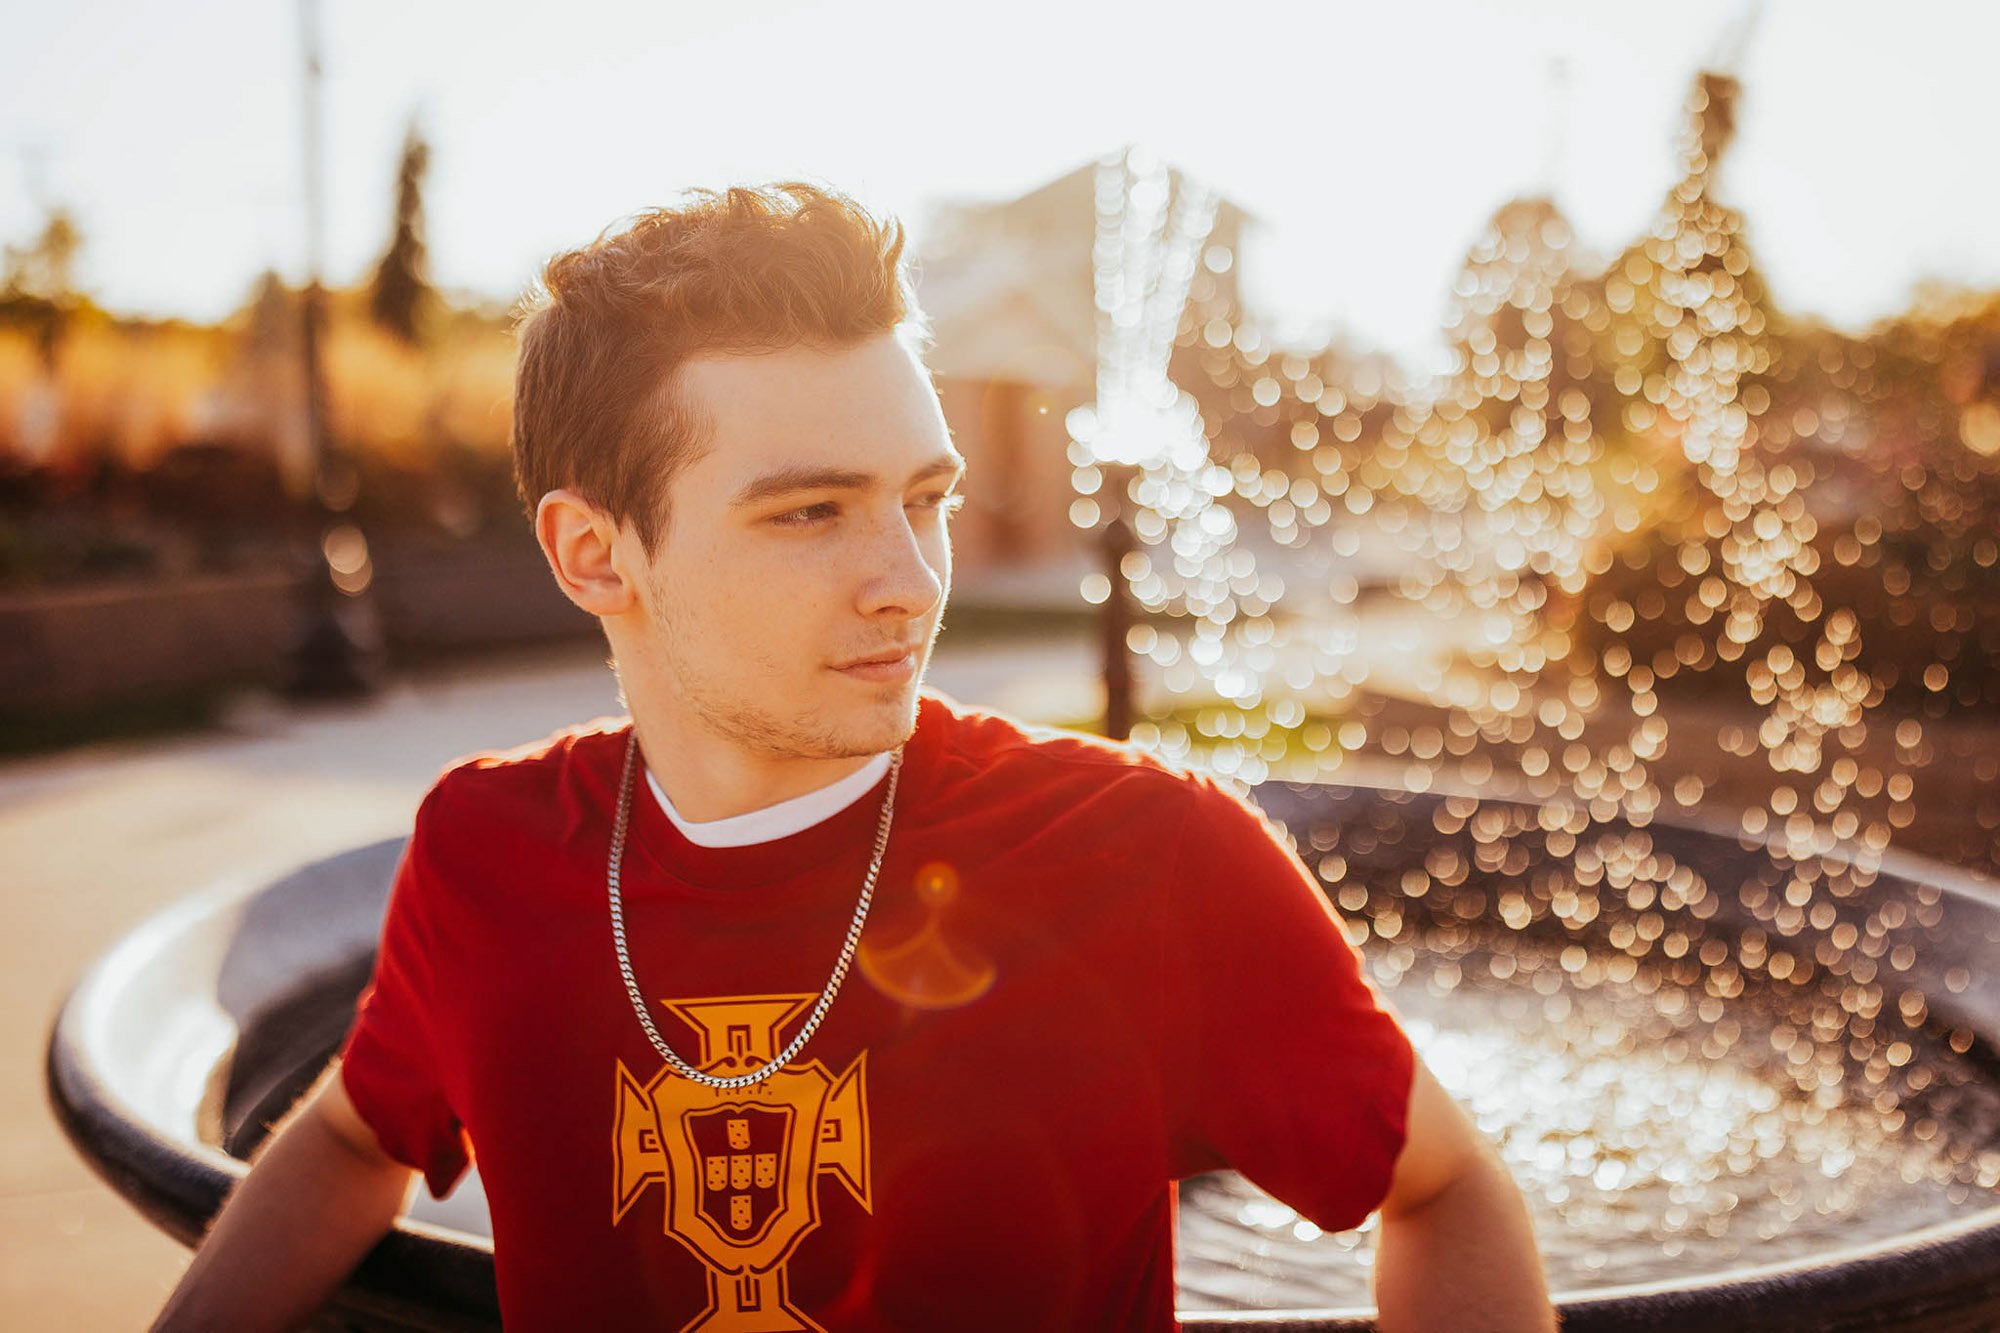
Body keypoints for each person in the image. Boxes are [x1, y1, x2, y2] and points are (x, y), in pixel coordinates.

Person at [155, 183, 1554, 1332]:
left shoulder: (1147, 852)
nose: (907, 581)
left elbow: (1440, 1186)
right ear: (597, 553)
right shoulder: (485, 850)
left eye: (925, 498)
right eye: (811, 512)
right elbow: (356, 1135)